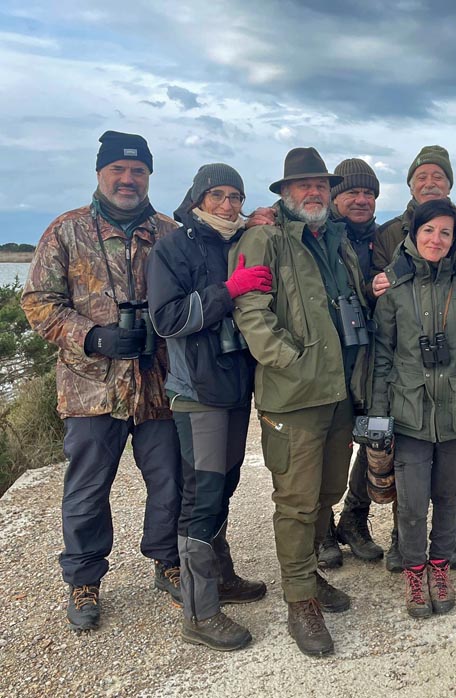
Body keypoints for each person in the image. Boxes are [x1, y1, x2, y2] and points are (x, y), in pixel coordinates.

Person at [21, 130, 182, 631]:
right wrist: (94, 337)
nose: (128, 179)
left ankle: (168, 561)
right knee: (88, 488)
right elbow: (38, 303)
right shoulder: (66, 231)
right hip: (91, 389)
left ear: (149, 176)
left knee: (170, 481)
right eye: (118, 169)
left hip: (159, 384)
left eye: (137, 171)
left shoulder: (170, 232)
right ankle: (84, 578)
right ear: (100, 173)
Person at [231, 147, 371, 657]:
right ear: (285, 193)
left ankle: (311, 577)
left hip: (338, 391)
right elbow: (251, 310)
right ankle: (299, 604)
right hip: (293, 396)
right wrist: (287, 358)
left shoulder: (336, 240)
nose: (314, 192)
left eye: (320, 185)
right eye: (303, 185)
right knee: (294, 503)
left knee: (327, 491)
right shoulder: (263, 237)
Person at [147, 164, 271, 651]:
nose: (226, 204)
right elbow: (167, 318)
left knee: (226, 483)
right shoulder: (173, 247)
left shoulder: (237, 240)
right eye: (217, 195)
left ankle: (222, 577)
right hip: (196, 391)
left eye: (235, 195)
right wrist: (229, 291)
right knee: (201, 495)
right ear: (198, 197)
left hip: (237, 386)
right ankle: (199, 613)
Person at [371, 198, 456, 618]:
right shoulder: (393, 286)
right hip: (409, 408)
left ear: (455, 239)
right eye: (429, 230)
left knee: (449, 495)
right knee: (411, 502)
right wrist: (378, 417)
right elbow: (382, 354)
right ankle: (415, 571)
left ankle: (440, 565)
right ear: (414, 233)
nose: (436, 239)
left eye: (445, 232)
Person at [372, 145, 456, 571]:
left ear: (451, 182)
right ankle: (407, 536)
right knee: (409, 468)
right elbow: (377, 285)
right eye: (421, 176)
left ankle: (455, 532)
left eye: (438, 175)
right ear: (410, 183)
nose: (429, 181)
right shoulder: (387, 234)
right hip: (408, 369)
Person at [316, 159, 385, 568]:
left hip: (375, 356)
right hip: (333, 358)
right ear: (334, 197)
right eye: (352, 193)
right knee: (327, 442)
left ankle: (355, 519)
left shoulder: (388, 237)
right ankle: (322, 526)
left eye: (369, 193)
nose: (361, 200)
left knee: (375, 435)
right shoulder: (318, 236)